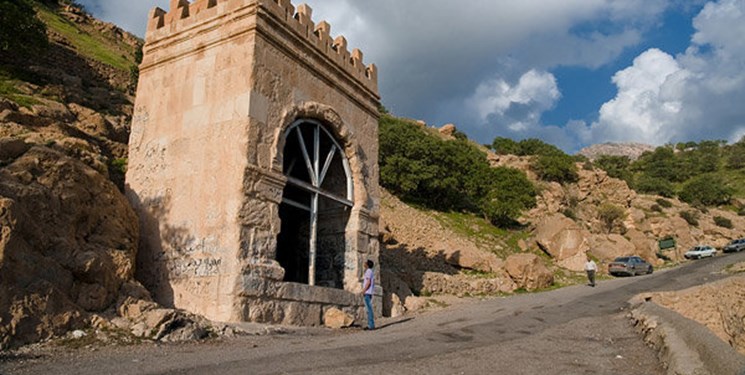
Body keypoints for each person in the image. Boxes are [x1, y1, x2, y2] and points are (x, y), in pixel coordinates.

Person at [362, 259, 375, 330]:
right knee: (369, 308)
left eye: (365, 262)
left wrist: (364, 290)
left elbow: (368, 282)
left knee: (369, 309)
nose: (364, 263)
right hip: (369, 292)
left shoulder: (368, 271)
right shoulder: (370, 271)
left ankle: (371, 325)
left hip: (367, 292)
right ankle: (370, 324)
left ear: (367, 264)